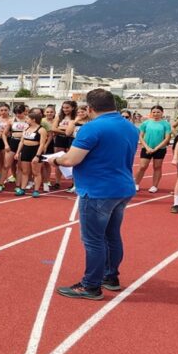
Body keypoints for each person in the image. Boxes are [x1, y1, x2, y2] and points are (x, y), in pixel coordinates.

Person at [51, 89, 139, 300]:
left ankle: (91, 285)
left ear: (90, 108)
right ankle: (111, 277)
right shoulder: (130, 126)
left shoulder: (91, 128)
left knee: (93, 240)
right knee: (112, 235)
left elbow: (71, 159)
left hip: (98, 190)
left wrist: (54, 160)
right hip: (122, 188)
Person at [134, 105, 172, 193]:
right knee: (142, 167)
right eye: (154, 112)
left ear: (162, 113)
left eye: (158, 112)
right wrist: (147, 147)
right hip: (146, 148)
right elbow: (141, 136)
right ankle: (136, 184)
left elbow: (167, 138)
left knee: (157, 167)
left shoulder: (166, 124)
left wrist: (156, 149)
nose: (155, 114)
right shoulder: (145, 123)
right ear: (151, 113)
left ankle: (154, 186)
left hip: (160, 149)